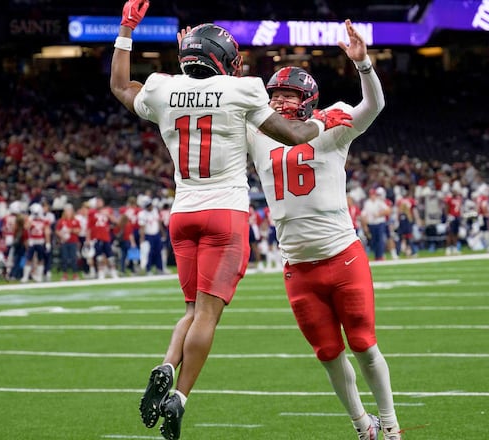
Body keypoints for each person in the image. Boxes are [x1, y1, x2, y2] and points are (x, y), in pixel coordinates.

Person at [109, 2, 352, 439]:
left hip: (182, 212)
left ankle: (167, 363)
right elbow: (294, 134)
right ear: (226, 61)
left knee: (189, 310)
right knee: (207, 315)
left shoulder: (163, 88)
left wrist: (127, 29)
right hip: (224, 212)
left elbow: (121, 85)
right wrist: (323, 121)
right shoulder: (243, 90)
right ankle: (180, 396)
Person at [246, 19, 401, 440]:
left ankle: (390, 425)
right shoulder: (257, 133)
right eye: (275, 93)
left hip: (343, 256)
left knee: (365, 345)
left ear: (308, 98)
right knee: (328, 354)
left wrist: (363, 64)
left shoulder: (330, 127)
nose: (279, 101)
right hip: (298, 266)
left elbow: (373, 107)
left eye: (288, 94)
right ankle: (361, 426)